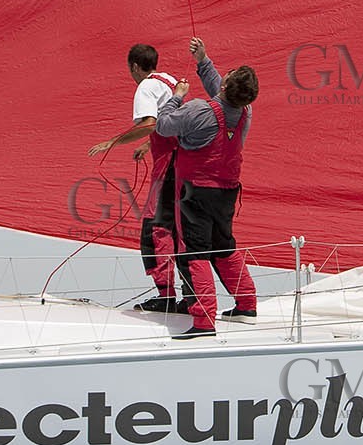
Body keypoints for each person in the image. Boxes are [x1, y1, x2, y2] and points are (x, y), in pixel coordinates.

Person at [155, 36, 259, 338]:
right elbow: (222, 95)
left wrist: (176, 96)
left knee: (194, 253)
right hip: (227, 192)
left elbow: (164, 125)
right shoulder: (244, 112)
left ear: (226, 86)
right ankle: (247, 305)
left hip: (195, 193)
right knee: (225, 246)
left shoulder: (198, 109)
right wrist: (203, 60)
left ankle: (203, 321)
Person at [87, 43, 186, 312]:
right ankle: (190, 295)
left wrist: (111, 142)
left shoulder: (145, 86)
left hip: (170, 164)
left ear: (133, 66)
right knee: (180, 228)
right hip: (185, 160)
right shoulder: (168, 79)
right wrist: (147, 145)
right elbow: (171, 120)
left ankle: (165, 296)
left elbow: (150, 123)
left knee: (155, 229)